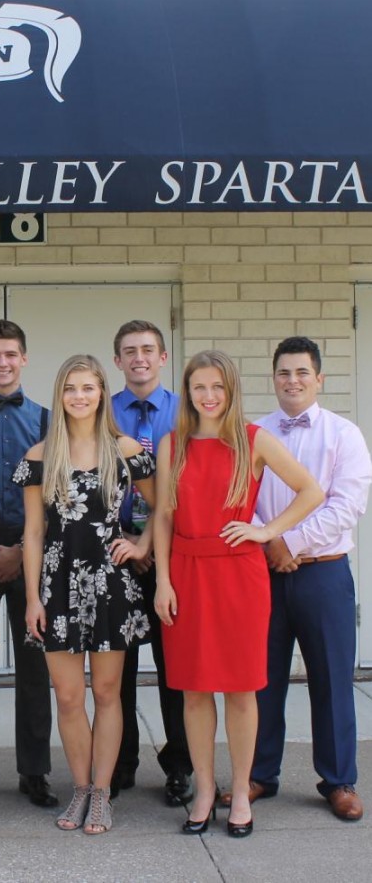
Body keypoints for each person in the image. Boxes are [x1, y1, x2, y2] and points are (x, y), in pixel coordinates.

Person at [153, 350, 323, 839]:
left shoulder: (255, 441)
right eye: (199, 387)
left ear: (231, 391)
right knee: (193, 690)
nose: (208, 397)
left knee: (243, 690)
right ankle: (205, 790)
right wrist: (163, 581)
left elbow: (311, 491)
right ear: (187, 391)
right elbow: (163, 516)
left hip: (238, 577)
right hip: (186, 573)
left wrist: (266, 530)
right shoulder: (173, 444)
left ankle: (243, 791)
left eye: (217, 387)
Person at [222, 336, 370, 822]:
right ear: (274, 378)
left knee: (331, 678)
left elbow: (347, 506)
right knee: (260, 679)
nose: (293, 381)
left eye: (302, 373)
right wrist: (269, 546)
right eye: (284, 373)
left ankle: (339, 780)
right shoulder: (252, 433)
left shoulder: (344, 434)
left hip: (323, 573)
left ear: (319, 378)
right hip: (261, 573)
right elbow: (240, 499)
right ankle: (259, 773)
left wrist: (291, 542)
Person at [19, 354, 154, 836]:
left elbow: (162, 506)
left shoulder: (124, 448)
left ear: (102, 393)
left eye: (88, 388)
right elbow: (33, 534)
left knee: (107, 693)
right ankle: (79, 789)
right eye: (71, 388)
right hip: (57, 587)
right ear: (60, 395)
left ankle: (102, 792)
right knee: (70, 696)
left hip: (111, 584)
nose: (79, 396)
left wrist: (141, 544)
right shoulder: (40, 456)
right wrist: (33, 598)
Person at [0, 320, 56, 809]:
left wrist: (21, 552)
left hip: (31, 555)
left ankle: (35, 770)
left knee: (34, 667)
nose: (3, 363)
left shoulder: (46, 421)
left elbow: (55, 495)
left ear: (24, 359)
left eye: (11, 354)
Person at [110, 320, 192, 805]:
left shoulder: (187, 413)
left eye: (147, 350)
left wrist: (154, 544)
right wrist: (127, 539)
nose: (139, 358)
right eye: (129, 351)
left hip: (172, 557)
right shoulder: (101, 412)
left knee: (174, 668)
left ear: (163, 358)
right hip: (116, 554)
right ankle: (120, 763)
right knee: (115, 670)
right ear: (117, 361)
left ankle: (180, 764)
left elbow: (191, 485)